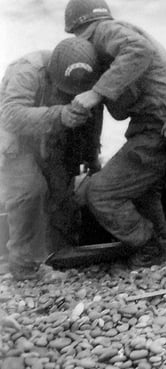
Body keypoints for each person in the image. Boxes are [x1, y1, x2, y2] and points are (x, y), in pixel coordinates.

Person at [64, 0, 166, 267]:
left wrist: (96, 93)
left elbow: (138, 50)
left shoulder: (105, 31)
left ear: (78, 28)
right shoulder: (116, 33)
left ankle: (149, 246)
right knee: (141, 188)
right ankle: (163, 241)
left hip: (157, 127)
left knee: (100, 194)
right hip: (161, 124)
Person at [0, 38, 103, 280]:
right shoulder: (27, 71)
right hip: (12, 133)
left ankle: (59, 254)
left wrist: (90, 156)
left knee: (61, 192)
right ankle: (24, 266)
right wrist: (60, 114)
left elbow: (93, 115)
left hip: (50, 133)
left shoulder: (88, 76)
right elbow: (10, 115)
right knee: (29, 190)